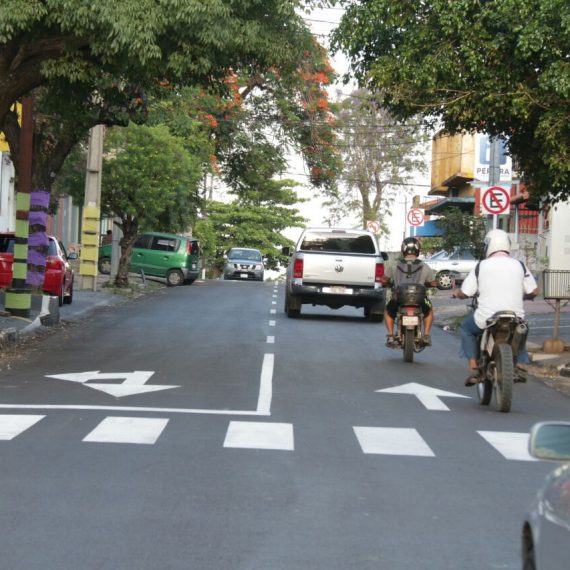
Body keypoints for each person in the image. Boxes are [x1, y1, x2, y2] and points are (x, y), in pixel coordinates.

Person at [453, 229, 539, 386]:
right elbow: (534, 291)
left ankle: (473, 368)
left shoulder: (481, 266)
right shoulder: (519, 265)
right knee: (521, 330)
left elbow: (465, 292)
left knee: (466, 328)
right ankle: (520, 364)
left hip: (486, 318)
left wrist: (457, 294)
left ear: (488, 246)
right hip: (514, 317)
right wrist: (524, 296)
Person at [382, 237, 437, 348]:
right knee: (429, 309)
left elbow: (384, 280)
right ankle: (426, 335)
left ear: (403, 249)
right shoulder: (424, 266)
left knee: (388, 311)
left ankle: (391, 336)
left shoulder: (394, 265)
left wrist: (387, 284)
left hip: (398, 298)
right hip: (420, 299)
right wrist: (429, 284)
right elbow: (433, 283)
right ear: (418, 249)